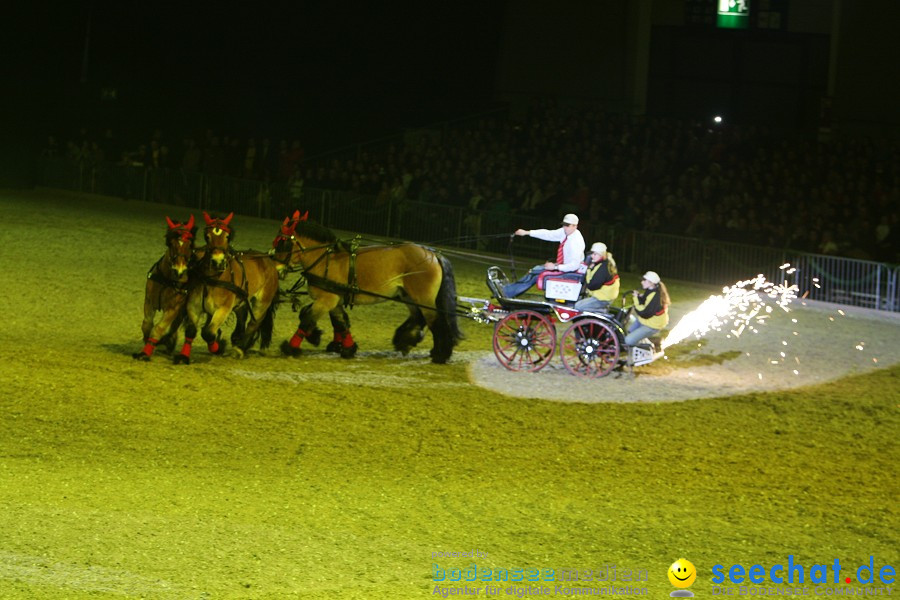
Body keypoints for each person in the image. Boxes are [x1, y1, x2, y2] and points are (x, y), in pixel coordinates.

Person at [502, 213, 585, 298]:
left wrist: (555, 267)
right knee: (536, 269)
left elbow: (574, 265)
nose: (564, 227)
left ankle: (507, 292)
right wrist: (527, 233)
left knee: (535, 273)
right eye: (564, 225)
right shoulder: (565, 232)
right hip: (564, 266)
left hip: (570, 271)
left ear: (575, 226)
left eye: (567, 225)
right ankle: (510, 290)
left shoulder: (576, 242)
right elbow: (548, 234)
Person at [625, 271, 670, 347]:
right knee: (629, 331)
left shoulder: (656, 296)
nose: (642, 282)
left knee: (628, 341)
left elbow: (644, 313)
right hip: (647, 321)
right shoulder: (651, 290)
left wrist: (636, 298)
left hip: (652, 325)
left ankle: (651, 346)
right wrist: (639, 296)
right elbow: (645, 302)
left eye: (645, 280)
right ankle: (643, 340)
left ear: (652, 283)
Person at [573, 242, 619, 312]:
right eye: (592, 253)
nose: (592, 256)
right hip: (605, 296)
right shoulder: (605, 263)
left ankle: (602, 311)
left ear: (601, 255)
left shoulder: (603, 268)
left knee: (578, 306)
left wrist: (588, 269)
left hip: (602, 299)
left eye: (595, 254)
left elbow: (591, 286)